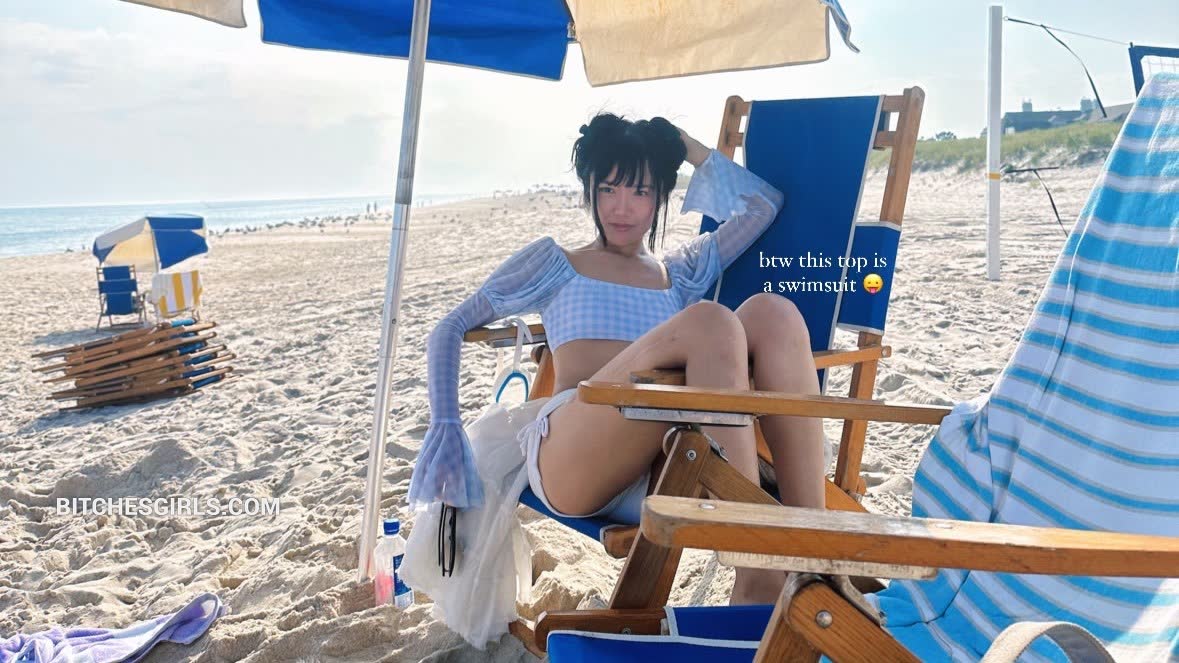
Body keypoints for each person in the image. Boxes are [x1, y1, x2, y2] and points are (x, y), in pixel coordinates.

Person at [415, 113, 825, 605]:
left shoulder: (679, 275)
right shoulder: (556, 264)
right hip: (575, 458)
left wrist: (685, 147)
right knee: (710, 320)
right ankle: (755, 571)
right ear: (589, 190)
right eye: (609, 188)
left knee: (773, 313)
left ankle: (815, 551)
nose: (622, 207)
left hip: (666, 466)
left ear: (661, 197)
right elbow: (450, 326)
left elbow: (764, 205)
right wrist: (445, 425)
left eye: (641, 190)